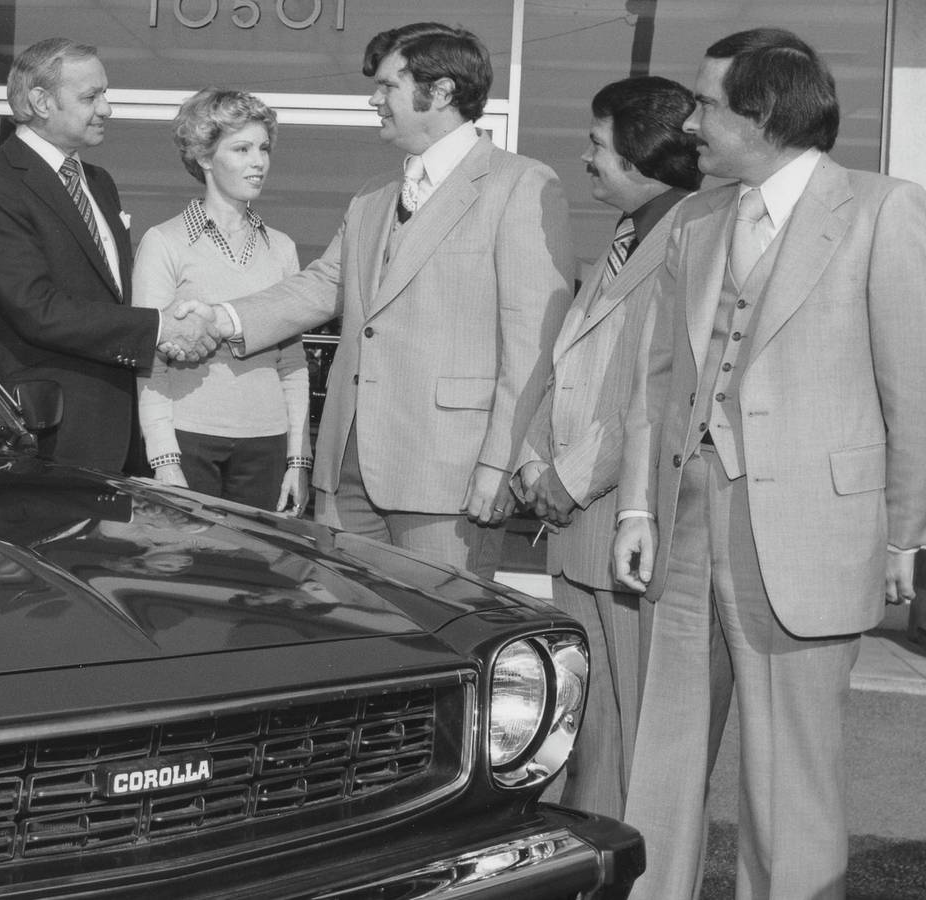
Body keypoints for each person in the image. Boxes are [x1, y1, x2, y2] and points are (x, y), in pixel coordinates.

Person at [611, 28, 925, 900]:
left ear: (763, 115)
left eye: (706, 104)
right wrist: (636, 507)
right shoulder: (696, 220)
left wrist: (904, 534)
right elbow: (655, 380)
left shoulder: (883, 210)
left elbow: (913, 389)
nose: (690, 122)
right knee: (663, 759)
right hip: (683, 522)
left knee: (791, 777)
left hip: (810, 530)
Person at [183, 22, 573, 579]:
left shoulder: (521, 185)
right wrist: (224, 317)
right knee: (350, 621)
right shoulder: (373, 194)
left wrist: (499, 461)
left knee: (440, 627)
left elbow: (533, 343)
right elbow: (325, 284)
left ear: (440, 92)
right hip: (346, 471)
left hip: (450, 476)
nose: (374, 99)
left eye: (388, 85)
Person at [512, 76, 702, 820]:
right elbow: (571, 364)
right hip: (575, 528)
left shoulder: (693, 236)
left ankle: (632, 858)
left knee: (637, 735)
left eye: (597, 143)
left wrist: (570, 476)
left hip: (623, 519)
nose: (586, 157)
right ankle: (591, 853)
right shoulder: (627, 234)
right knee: (589, 729)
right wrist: (533, 458)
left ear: (639, 151)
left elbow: (661, 391)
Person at [0, 37, 220, 473]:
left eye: (105, 94)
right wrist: (158, 327)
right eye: (91, 96)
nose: (107, 108)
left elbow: (112, 297)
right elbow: (35, 309)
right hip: (43, 433)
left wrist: (175, 321)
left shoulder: (99, 182)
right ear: (41, 101)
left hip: (115, 429)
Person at [134, 88, 310, 514]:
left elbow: (292, 363)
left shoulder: (282, 249)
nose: (259, 161)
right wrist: (164, 459)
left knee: (260, 560)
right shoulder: (163, 242)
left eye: (264, 148)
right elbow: (149, 362)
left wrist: (297, 460)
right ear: (205, 157)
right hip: (188, 442)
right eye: (242, 149)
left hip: (268, 447)